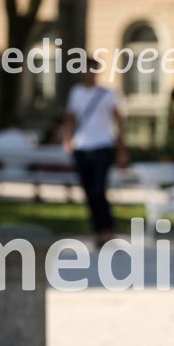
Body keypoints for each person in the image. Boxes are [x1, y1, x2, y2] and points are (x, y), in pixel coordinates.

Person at [63, 58, 127, 248]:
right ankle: (99, 231)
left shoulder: (108, 94)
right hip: (82, 147)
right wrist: (67, 139)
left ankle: (107, 230)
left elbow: (118, 121)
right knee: (90, 192)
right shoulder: (75, 93)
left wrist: (122, 149)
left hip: (102, 146)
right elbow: (70, 118)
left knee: (100, 189)